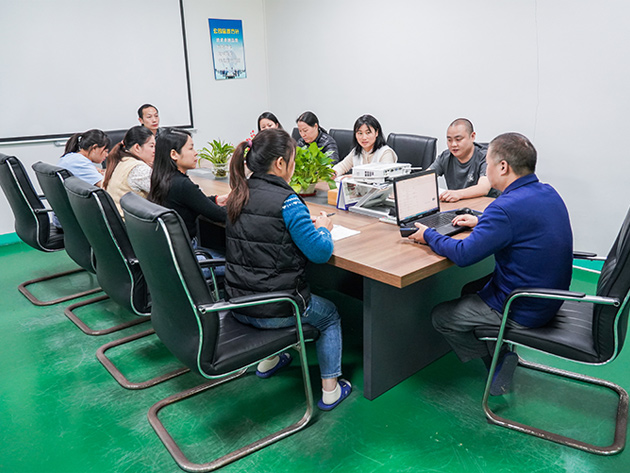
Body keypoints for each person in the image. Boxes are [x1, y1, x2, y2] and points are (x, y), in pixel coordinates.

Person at [409, 132, 573, 396]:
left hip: (523, 306)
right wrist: (481, 222)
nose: (486, 169)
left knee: (442, 316)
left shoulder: (504, 208)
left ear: (503, 167)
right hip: (551, 295)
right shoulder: (547, 192)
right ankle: (499, 352)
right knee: (469, 290)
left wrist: (429, 235)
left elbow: (463, 255)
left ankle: (496, 363)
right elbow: (520, 223)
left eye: (487, 164)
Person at [225, 128, 352, 411]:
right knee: (329, 315)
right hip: (276, 309)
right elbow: (320, 253)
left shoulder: (238, 193)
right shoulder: (289, 202)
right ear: (280, 163)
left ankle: (269, 360)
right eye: (293, 160)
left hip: (238, 303)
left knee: (267, 279)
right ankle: (331, 390)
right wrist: (324, 229)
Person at [148, 129, 227, 269]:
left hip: (171, 255)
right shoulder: (182, 184)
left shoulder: (163, 178)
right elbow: (220, 215)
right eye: (191, 148)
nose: (195, 153)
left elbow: (192, 201)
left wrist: (215, 199)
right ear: (174, 154)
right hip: (189, 258)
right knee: (240, 266)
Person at [428, 118, 493, 202]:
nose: (453, 144)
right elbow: (425, 178)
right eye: (449, 140)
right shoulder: (446, 156)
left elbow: (484, 188)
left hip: (484, 206)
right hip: (457, 206)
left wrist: (458, 194)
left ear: (472, 136)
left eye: (458, 139)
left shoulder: (486, 156)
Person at [103, 126, 155, 217]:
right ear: (137, 147)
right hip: (133, 223)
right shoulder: (138, 169)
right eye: (152, 146)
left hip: (121, 219)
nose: (154, 151)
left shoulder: (120, 161)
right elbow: (164, 194)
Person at [332, 114, 397, 177]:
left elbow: (384, 177)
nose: (364, 137)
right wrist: (332, 173)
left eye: (368, 133)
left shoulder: (386, 152)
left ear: (376, 132)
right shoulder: (356, 151)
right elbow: (342, 166)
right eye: (360, 133)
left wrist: (354, 177)